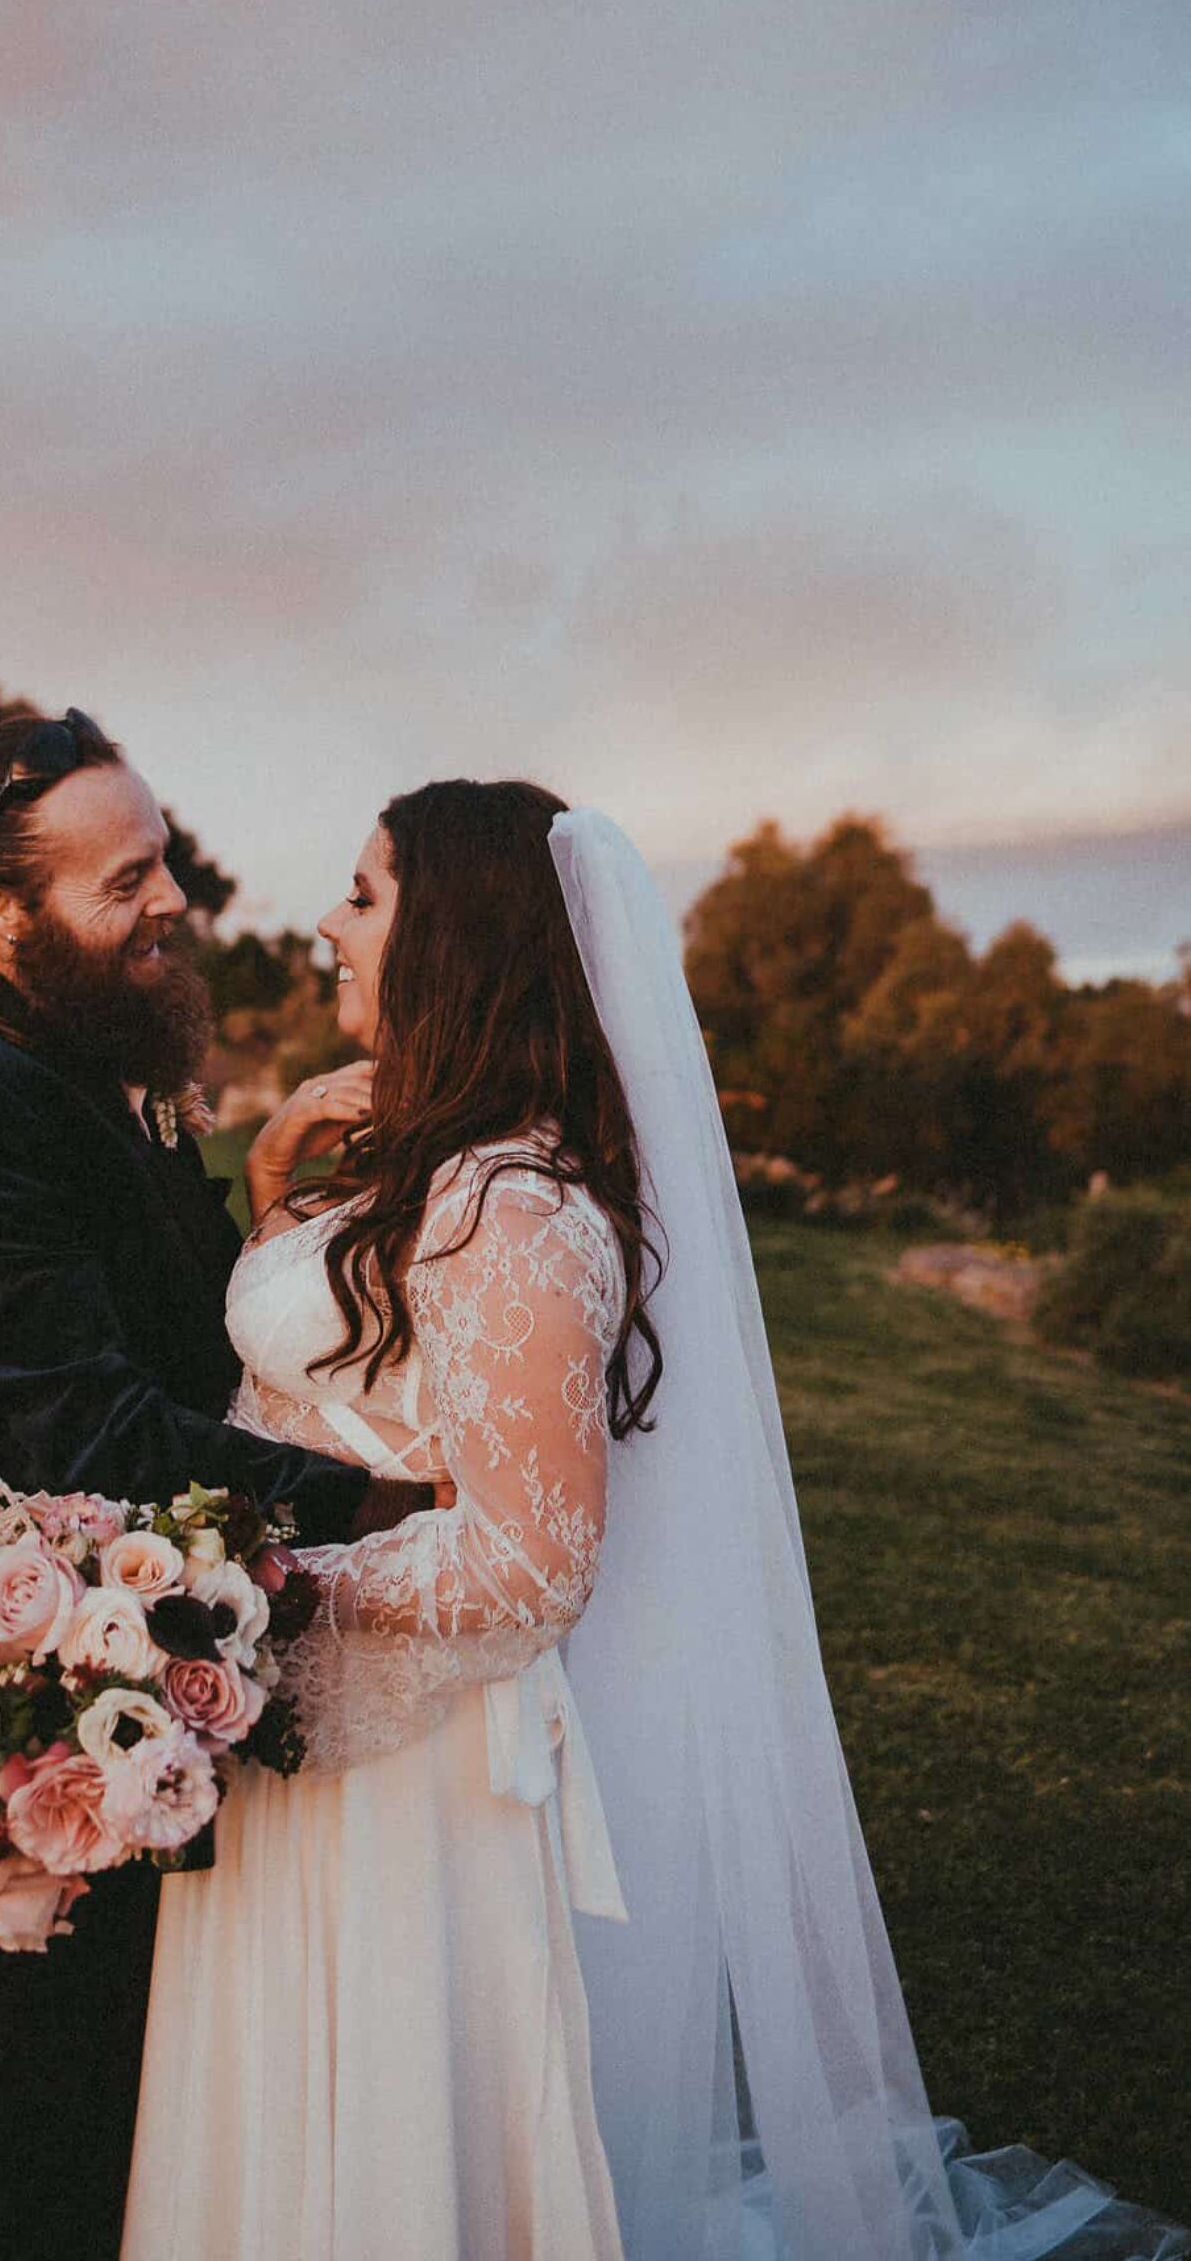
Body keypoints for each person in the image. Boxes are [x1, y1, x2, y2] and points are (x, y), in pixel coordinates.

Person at [122, 781, 1188, 2261]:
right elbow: (321, 1383)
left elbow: (529, 1558)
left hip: (406, 1786)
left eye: (364, 895)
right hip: (298, 1738)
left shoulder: (515, 1208)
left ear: (464, 943)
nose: (326, 921)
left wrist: (250, 1584)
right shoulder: (426, 1165)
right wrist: (270, 1194)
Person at [0, 711, 435, 2261]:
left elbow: (176, 1341)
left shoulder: (89, 1046)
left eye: (165, 855)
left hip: (162, 1656)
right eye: (128, 879)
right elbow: (87, 1434)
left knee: (145, 2119)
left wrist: (259, 1199)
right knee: (43, 2126)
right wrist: (378, 1503)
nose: (172, 897)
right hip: (41, 1697)